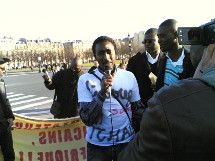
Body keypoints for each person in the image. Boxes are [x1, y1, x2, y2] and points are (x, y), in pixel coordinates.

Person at [118, 42, 215, 161]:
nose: (160, 40)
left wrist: (195, 84)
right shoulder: (157, 61)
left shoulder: (163, 106)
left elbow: (129, 157)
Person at [77, 36, 145, 161]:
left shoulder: (129, 76)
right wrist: (102, 92)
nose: (106, 57)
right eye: (101, 53)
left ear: (115, 53)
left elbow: (138, 110)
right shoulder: (85, 80)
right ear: (95, 57)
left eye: (109, 52)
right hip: (98, 147)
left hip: (126, 143)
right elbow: (87, 118)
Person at [155, 19, 195, 91]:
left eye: (163, 36)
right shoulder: (162, 60)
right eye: (158, 37)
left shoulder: (192, 60)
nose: (159, 40)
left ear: (176, 35)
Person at [126, 28, 162, 106]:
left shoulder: (167, 59)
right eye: (145, 41)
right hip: (142, 107)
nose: (146, 44)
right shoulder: (134, 61)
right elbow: (129, 86)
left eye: (150, 41)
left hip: (163, 106)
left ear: (159, 40)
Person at [0, 56, 15, 161]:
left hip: (4, 124)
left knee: (9, 154)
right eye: (1, 68)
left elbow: (5, 100)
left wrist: (10, 117)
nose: (3, 72)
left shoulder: (1, 82)